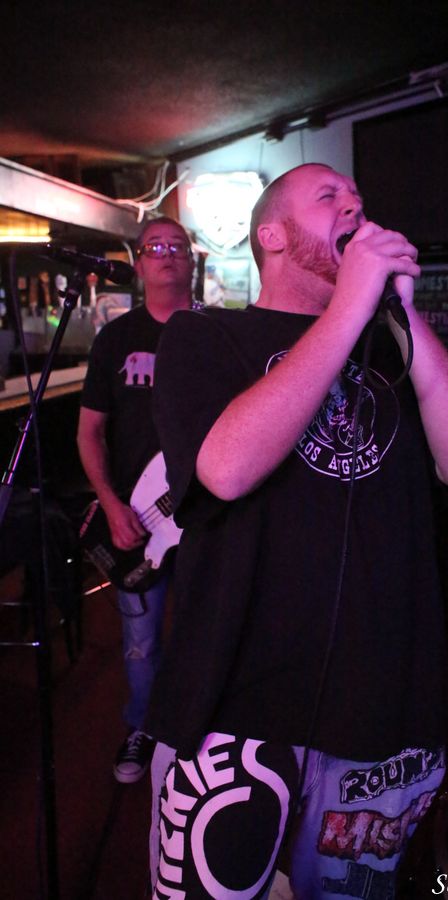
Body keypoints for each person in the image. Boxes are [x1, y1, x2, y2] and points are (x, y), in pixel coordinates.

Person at [148, 164, 448, 897]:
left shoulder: (393, 347)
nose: (355, 206)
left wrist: (400, 314)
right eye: (328, 196)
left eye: (358, 199)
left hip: (383, 714)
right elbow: (225, 470)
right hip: (242, 709)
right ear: (271, 236)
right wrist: (350, 307)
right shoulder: (204, 335)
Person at [77, 216, 194, 783]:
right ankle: (144, 725)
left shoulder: (218, 333)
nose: (166, 253)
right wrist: (110, 502)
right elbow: (88, 433)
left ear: (192, 261)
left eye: (177, 245)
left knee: (206, 630)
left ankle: (197, 732)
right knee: (141, 643)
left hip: (207, 516)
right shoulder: (115, 340)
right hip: (137, 520)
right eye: (154, 247)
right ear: (140, 264)